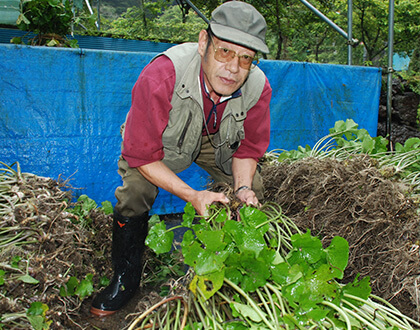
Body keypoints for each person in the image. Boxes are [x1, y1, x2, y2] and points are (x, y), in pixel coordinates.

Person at [90, 0, 272, 316]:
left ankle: (228, 268)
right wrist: (192, 195)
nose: (233, 68)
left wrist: (242, 189)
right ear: (204, 43)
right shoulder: (163, 74)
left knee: (253, 184)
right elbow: (142, 153)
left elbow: (247, 150)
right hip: (160, 143)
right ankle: (125, 276)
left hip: (215, 141)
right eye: (224, 51)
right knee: (135, 189)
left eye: (245, 59)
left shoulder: (258, 87)